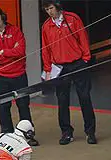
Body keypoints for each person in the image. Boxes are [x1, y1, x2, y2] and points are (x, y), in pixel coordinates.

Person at [41, 1, 97, 146]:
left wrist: (86, 59)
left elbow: (83, 38)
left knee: (84, 97)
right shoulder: (46, 26)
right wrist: (48, 70)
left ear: (58, 6)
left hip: (77, 63)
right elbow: (45, 49)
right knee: (62, 100)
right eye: (47, 9)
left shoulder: (73, 19)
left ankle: (90, 132)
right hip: (59, 67)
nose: (49, 12)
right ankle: (66, 132)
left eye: (51, 8)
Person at [0, 6, 38, 145]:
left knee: (23, 105)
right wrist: (10, 52)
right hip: (1, 76)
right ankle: (6, 136)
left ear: (2, 17)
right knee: (3, 106)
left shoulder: (15, 31)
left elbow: (20, 52)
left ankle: (28, 135)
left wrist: (3, 52)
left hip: (19, 75)